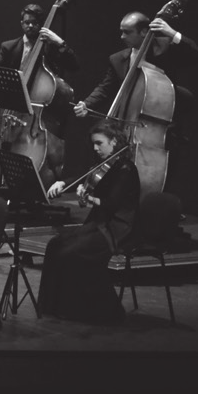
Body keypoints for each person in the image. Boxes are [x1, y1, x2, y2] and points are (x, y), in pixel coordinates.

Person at [0, 2, 80, 188]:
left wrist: (60, 42)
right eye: (26, 22)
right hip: (11, 107)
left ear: (41, 24)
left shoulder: (49, 47)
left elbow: (74, 66)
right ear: (21, 23)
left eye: (34, 23)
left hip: (36, 110)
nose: (30, 26)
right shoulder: (10, 46)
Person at [39, 123, 139, 323]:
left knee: (71, 253)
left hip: (116, 227)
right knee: (55, 245)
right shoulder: (107, 164)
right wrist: (64, 183)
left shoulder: (126, 169)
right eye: (94, 144)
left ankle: (83, 310)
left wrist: (89, 199)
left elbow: (111, 205)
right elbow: (86, 177)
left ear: (114, 141)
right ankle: (51, 305)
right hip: (99, 222)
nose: (95, 148)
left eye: (99, 143)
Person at [74, 10, 198, 126]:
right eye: (121, 32)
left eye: (127, 32)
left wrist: (172, 33)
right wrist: (87, 104)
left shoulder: (166, 48)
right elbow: (106, 88)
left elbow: (197, 55)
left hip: (163, 124)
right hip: (129, 122)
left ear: (143, 32)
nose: (122, 37)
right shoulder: (117, 59)